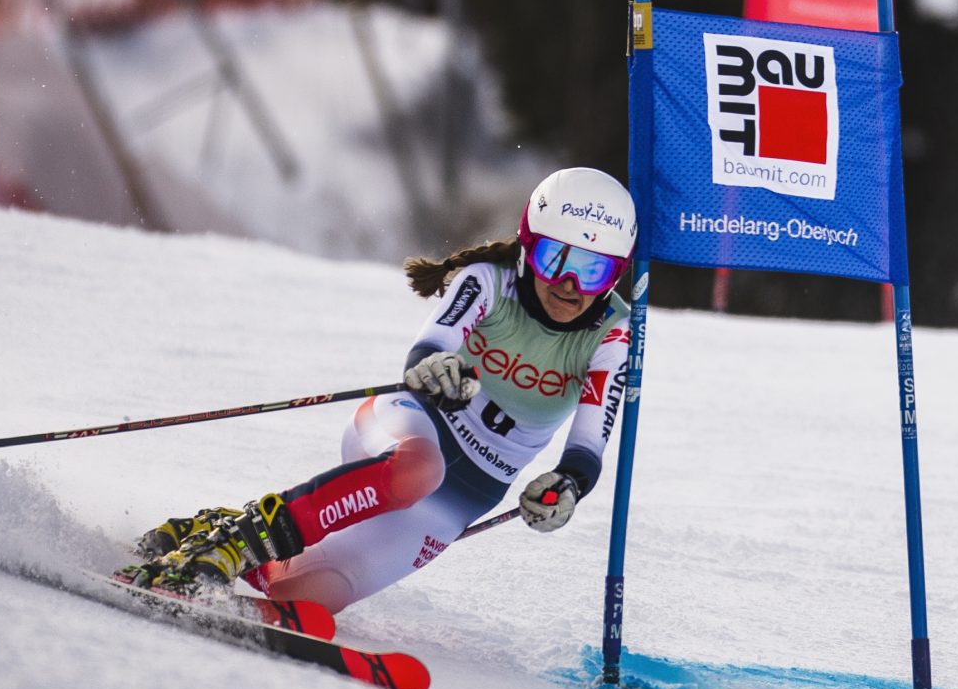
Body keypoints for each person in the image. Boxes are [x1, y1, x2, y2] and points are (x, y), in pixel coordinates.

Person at [131, 166, 637, 613]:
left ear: (615, 275)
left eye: (593, 270)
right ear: (528, 247)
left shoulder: (613, 335)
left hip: (469, 493)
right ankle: (235, 544)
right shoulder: (489, 281)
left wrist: (566, 485)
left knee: (312, 593)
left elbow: (588, 443)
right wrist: (434, 366)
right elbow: (433, 343)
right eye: (556, 259)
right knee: (418, 468)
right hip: (411, 428)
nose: (570, 284)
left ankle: (224, 532)